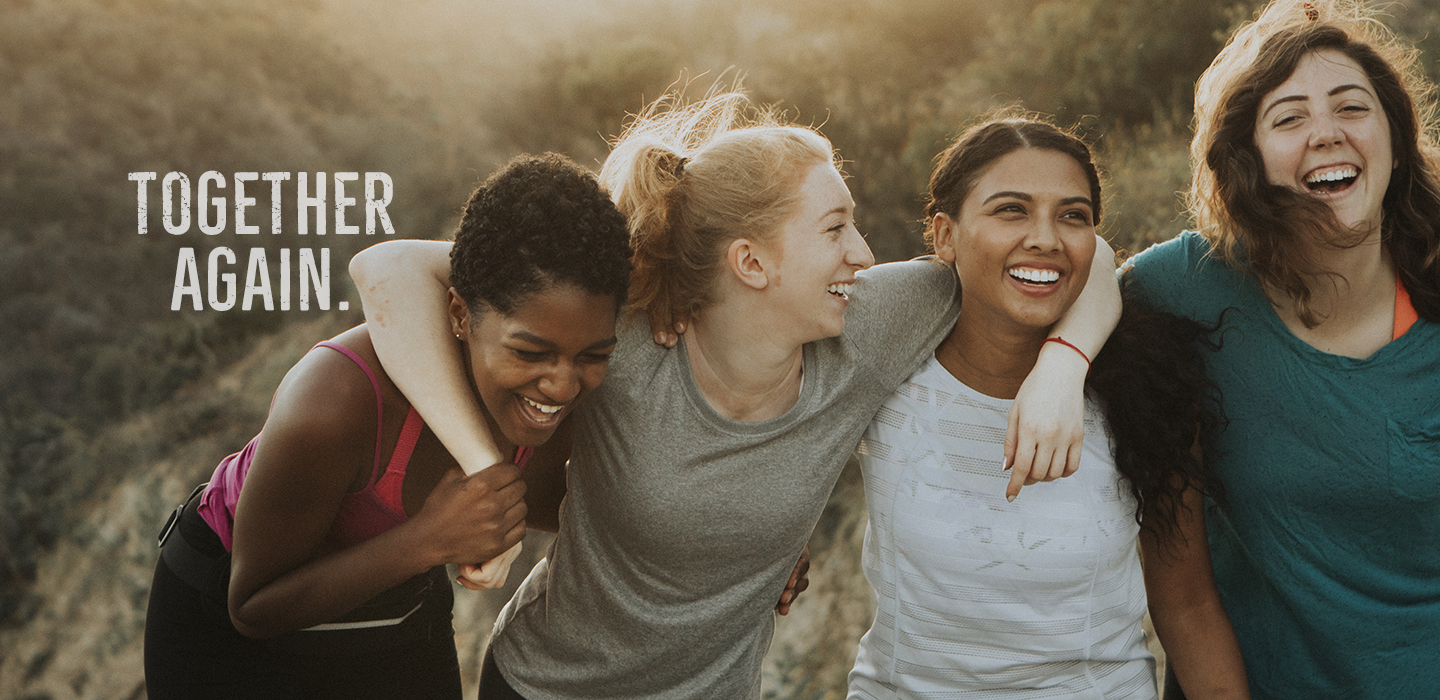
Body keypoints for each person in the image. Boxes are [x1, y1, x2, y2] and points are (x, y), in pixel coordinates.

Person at [348, 90, 1122, 699]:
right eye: (835, 228)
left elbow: (1088, 255)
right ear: (751, 263)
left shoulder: (873, 321)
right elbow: (387, 268)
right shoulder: (627, 335)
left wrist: (1063, 363)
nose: (864, 252)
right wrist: (489, 475)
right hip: (544, 686)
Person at [142, 153, 635, 700]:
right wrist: (430, 539)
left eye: (593, 354)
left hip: (395, 604)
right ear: (459, 315)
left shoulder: (557, 406)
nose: (562, 385)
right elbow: (253, 607)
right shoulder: (335, 402)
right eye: (529, 352)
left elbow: (574, 508)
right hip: (227, 621)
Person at [848, 115, 1249, 699]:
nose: (1045, 238)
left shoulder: (1147, 388)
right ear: (944, 236)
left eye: (1073, 216)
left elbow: (1187, 607)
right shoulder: (886, 359)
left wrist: (1064, 364)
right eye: (1011, 209)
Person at [1124, 1, 1440, 696]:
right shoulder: (1189, 287)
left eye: (1352, 108)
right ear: (1250, 158)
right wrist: (1063, 359)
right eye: (1289, 118)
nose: (1326, 133)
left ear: (1393, 134)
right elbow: (1078, 270)